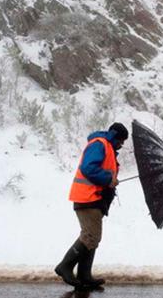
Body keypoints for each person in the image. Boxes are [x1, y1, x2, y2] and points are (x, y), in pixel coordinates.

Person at [55, 122, 128, 289]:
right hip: (87, 197)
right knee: (91, 236)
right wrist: (109, 179)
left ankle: (84, 275)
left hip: (95, 198)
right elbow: (88, 168)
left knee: (92, 237)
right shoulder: (99, 144)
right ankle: (65, 266)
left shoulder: (107, 147)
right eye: (121, 141)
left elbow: (102, 171)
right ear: (114, 135)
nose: (122, 145)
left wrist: (111, 180)